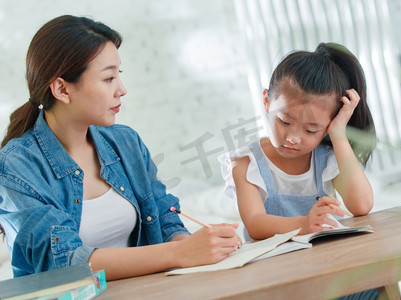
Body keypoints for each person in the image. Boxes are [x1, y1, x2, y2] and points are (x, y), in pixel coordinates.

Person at [0, 15, 241, 279]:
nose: (122, 89)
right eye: (108, 78)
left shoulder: (126, 142)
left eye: (119, 75)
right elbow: (65, 262)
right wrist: (180, 253)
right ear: (62, 89)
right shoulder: (16, 166)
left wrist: (197, 246)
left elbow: (163, 214)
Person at [219, 42, 377, 241]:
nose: (293, 137)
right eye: (284, 121)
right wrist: (304, 224)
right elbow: (255, 224)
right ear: (267, 101)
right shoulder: (246, 162)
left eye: (311, 130)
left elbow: (361, 206)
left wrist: (338, 134)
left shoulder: (326, 158)